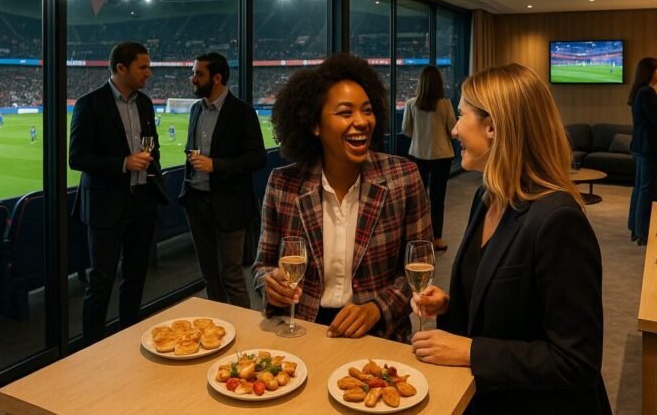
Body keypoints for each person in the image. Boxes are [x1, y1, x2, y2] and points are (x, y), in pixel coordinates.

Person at [410, 64, 611, 414]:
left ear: (493, 127)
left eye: (461, 116)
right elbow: (512, 304)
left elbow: (576, 360)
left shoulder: (557, 220)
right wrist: (452, 303)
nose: (454, 130)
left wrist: (470, 352)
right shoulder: (485, 197)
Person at [252, 53, 431, 342]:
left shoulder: (404, 178)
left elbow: (420, 269)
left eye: (367, 110)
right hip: (301, 329)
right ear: (314, 124)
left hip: (378, 333)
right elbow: (262, 267)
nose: (361, 122)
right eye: (345, 113)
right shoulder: (283, 184)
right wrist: (271, 284)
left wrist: (376, 308)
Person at [69, 41, 169, 345]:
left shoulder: (145, 103)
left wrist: (153, 179)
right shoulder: (90, 103)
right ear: (121, 68)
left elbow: (153, 148)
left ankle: (128, 338)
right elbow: (77, 158)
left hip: (141, 202)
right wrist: (123, 163)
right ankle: (92, 347)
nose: (149, 73)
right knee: (101, 281)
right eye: (143, 67)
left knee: (136, 276)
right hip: (105, 206)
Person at [179, 52, 267, 309]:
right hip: (197, 203)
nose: (192, 78)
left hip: (230, 206)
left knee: (232, 276)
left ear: (217, 78)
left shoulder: (243, 112)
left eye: (198, 73)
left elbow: (256, 158)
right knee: (210, 276)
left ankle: (244, 332)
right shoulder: (196, 109)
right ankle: (219, 326)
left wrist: (215, 165)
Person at [402, 66, 457, 251]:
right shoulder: (445, 104)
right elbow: (453, 130)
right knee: (437, 197)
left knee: (419, 198)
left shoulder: (411, 104)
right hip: (442, 155)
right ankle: (437, 238)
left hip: (418, 154)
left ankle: (418, 237)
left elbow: (406, 130)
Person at [627, 57, 657, 245]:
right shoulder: (647, 92)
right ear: (651, 72)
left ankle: (635, 228)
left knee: (639, 187)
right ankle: (643, 231)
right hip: (648, 147)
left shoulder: (640, 92)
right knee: (646, 189)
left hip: (640, 146)